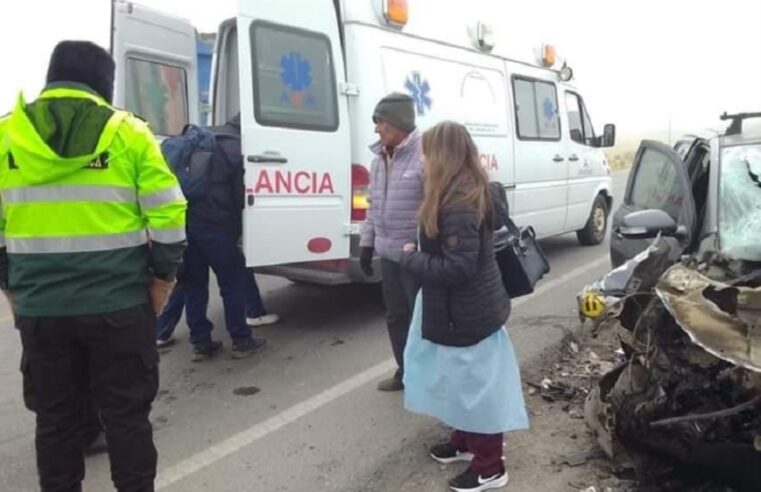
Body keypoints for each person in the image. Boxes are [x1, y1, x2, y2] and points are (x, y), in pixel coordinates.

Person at [0, 41, 186, 492]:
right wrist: (162, 279)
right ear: (105, 82)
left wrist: (12, 285)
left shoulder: (7, 136)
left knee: (56, 421)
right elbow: (168, 215)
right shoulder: (129, 133)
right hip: (118, 306)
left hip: (42, 311)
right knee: (126, 418)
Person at [399, 121, 528, 492]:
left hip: (468, 313)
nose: (422, 159)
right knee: (455, 380)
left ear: (442, 155)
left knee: (476, 388)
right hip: (457, 310)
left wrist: (410, 258)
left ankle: (490, 466)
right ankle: (465, 442)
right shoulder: (455, 191)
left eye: (426, 152)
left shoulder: (459, 202)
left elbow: (458, 268)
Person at [164, 114, 270, 360]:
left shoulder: (200, 138)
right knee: (231, 283)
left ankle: (201, 342)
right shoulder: (235, 146)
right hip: (216, 225)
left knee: (194, 286)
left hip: (188, 223)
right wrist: (238, 229)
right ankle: (242, 340)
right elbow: (238, 196)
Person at [359, 93, 423, 392]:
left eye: (380, 122)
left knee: (422, 318)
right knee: (396, 316)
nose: (376, 130)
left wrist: (425, 249)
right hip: (388, 253)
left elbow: (434, 208)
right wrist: (366, 243)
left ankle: (429, 376)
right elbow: (372, 205)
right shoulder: (378, 160)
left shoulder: (425, 155)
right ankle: (406, 372)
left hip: (416, 257)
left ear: (398, 124)